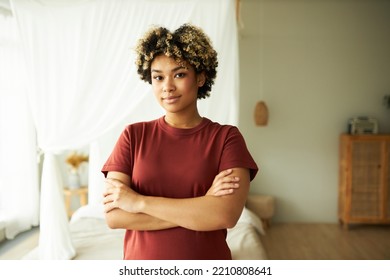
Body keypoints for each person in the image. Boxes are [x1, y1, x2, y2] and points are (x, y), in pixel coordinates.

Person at [101, 23, 258, 260]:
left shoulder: (227, 138)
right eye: (158, 77)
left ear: (201, 77)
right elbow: (115, 217)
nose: (168, 87)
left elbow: (225, 215)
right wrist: (203, 206)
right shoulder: (133, 136)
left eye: (179, 74)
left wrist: (139, 202)